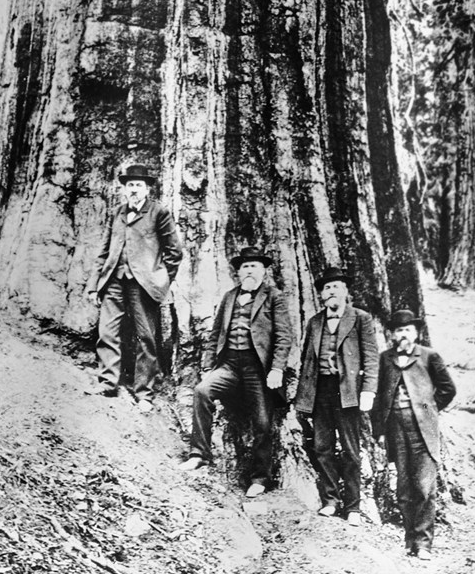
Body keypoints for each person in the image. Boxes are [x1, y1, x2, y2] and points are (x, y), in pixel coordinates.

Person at [179, 246, 293, 498]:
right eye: (245, 266)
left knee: (263, 422)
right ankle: (199, 453)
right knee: (201, 391)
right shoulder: (229, 297)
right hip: (229, 364)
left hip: (257, 368)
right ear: (239, 272)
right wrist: (208, 366)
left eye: (254, 266)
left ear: (263, 271)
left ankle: (260, 478)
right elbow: (215, 333)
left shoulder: (274, 297)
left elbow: (284, 336)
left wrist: (277, 368)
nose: (249, 270)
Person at [85, 164, 183, 411]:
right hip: (114, 281)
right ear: (124, 189)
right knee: (107, 331)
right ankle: (107, 382)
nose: (134, 190)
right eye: (130, 185)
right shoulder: (117, 212)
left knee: (146, 337)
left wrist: (159, 281)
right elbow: (104, 251)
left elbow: (174, 252)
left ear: (148, 188)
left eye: (139, 185)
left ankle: (144, 393)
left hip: (143, 285)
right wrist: (95, 285)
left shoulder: (159, 212)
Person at [294, 266, 379, 526]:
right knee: (322, 448)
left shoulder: (361, 318)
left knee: (352, 451)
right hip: (321, 392)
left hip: (349, 392)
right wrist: (303, 398)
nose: (331, 291)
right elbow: (307, 362)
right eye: (327, 288)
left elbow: (371, 357)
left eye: (336, 287)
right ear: (321, 295)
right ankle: (331, 501)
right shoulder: (315, 322)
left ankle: (353, 506)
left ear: (345, 291)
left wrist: (369, 390)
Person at [372, 309, 456, 561]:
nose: (403, 334)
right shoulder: (384, 359)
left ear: (416, 332)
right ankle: (410, 540)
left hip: (424, 431)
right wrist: (380, 429)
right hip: (395, 430)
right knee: (404, 488)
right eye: (398, 330)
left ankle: (424, 544)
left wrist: (428, 409)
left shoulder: (429, 356)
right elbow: (377, 395)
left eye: (407, 329)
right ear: (392, 334)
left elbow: (447, 389)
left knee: (424, 486)